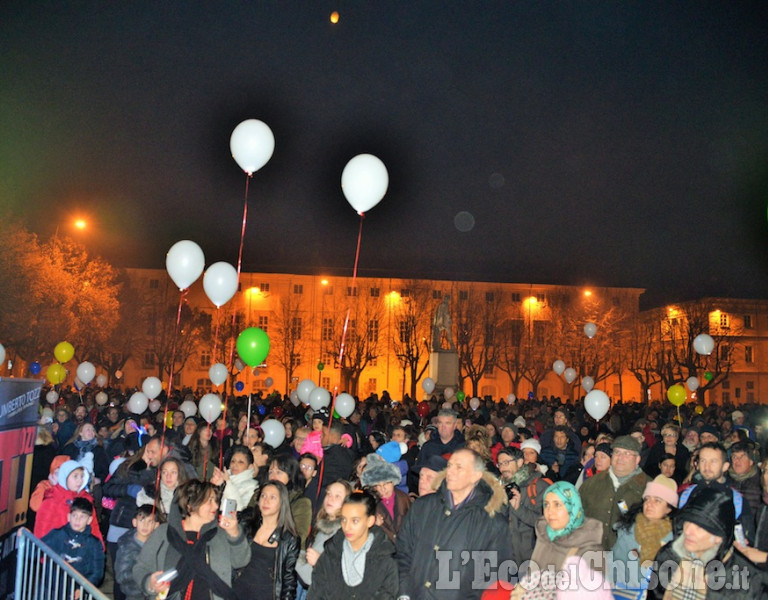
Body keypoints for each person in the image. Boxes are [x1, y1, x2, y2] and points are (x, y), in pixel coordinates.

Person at [396, 448, 512, 600]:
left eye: (459, 467)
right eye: (449, 466)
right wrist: (404, 591)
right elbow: (403, 552)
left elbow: (492, 581)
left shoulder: (491, 522)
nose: (450, 472)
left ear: (476, 476)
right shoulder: (423, 507)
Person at [133, 479, 250, 600]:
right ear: (190, 504)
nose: (216, 505)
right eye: (210, 500)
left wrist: (235, 532)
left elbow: (241, 561)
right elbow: (140, 567)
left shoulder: (220, 534)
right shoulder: (165, 532)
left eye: (216, 500)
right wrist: (150, 583)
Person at [647, 487, 767, 600]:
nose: (688, 531)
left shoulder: (747, 580)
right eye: (687, 522)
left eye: (699, 527)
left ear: (719, 538)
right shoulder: (668, 555)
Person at [511, 481, 610, 600]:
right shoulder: (545, 536)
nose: (550, 511)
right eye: (546, 505)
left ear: (572, 507)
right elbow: (532, 577)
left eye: (557, 505)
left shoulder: (590, 549)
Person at [308, 490, 399, 599]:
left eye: (355, 521)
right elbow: (316, 593)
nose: (347, 527)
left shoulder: (385, 559)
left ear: (370, 521)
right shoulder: (331, 553)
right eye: (344, 519)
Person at [610, 475, 678, 595]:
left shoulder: (674, 540)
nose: (649, 504)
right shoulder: (628, 528)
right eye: (647, 499)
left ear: (669, 508)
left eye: (657, 500)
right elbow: (614, 561)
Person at [580, 435, 650, 548]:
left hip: (629, 558)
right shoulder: (591, 484)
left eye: (627, 453)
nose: (620, 458)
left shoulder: (648, 489)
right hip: (593, 554)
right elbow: (578, 517)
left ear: (637, 459)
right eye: (617, 452)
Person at [233, 481, 300, 600]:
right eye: (263, 496)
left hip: (265, 594)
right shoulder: (246, 524)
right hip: (237, 591)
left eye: (272, 497)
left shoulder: (289, 539)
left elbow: (288, 581)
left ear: (282, 503)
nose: (266, 501)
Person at [296, 479, 353, 598]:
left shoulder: (345, 534)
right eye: (328, 494)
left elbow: (312, 577)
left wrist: (320, 562)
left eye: (337, 496)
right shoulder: (324, 529)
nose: (330, 498)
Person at [498, 446, 550, 565]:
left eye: (506, 463)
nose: (502, 468)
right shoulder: (500, 488)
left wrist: (519, 508)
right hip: (506, 559)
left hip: (532, 559)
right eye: (500, 464)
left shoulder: (538, 486)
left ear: (520, 462)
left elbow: (545, 523)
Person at [34, 457, 103, 544]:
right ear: (65, 477)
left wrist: (99, 549)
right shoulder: (51, 501)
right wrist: (44, 555)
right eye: (75, 476)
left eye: (82, 476)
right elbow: (42, 531)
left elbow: (94, 527)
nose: (80, 481)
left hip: (81, 551)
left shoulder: (86, 500)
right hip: (56, 553)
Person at [41, 497, 105, 587]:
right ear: (68, 517)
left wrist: (84, 586)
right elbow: (35, 549)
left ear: (89, 520)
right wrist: (25, 539)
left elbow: (97, 572)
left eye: (82, 517)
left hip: (77, 591)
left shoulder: (94, 543)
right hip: (52, 589)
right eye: (74, 515)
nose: (77, 520)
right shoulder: (57, 534)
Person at [115, 504, 164, 600]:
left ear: (156, 525)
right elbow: (121, 576)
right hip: (135, 594)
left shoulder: (157, 544)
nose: (145, 525)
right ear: (134, 522)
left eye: (150, 521)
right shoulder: (127, 546)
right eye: (142, 520)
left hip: (153, 592)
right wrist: (146, 579)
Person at [361, 452, 412, 543]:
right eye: (377, 485)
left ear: (393, 482)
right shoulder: (369, 503)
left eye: (386, 483)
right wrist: (373, 525)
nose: (383, 489)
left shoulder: (404, 499)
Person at [269, 454, 313, 548]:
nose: (273, 476)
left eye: (279, 472)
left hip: (285, 552)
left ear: (291, 475)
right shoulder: (260, 495)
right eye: (270, 472)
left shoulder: (301, 502)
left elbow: (299, 536)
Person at [212, 444, 259, 512]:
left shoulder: (252, 486)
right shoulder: (224, 479)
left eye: (241, 462)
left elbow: (239, 510)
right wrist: (214, 486)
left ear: (250, 467)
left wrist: (228, 484)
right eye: (233, 461)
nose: (235, 465)